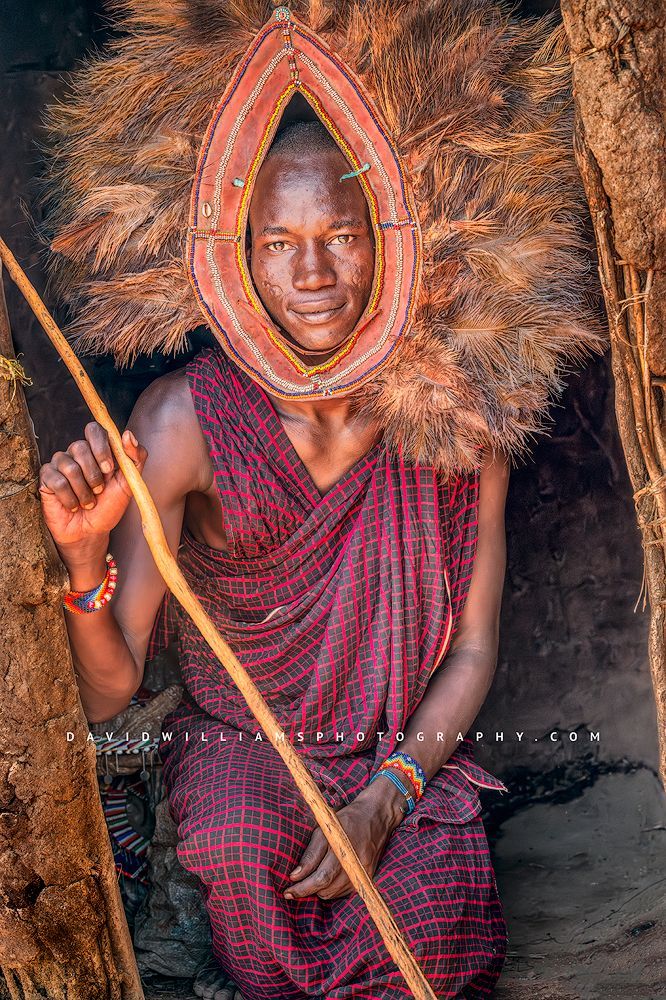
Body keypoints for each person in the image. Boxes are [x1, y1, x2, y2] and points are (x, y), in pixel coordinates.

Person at [40, 117, 511, 999]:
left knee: (435, 933)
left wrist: (388, 796)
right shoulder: (184, 422)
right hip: (243, 745)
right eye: (278, 243)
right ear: (236, 257)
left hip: (394, 752)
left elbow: (475, 648)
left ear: (390, 241)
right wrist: (81, 561)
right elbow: (110, 688)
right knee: (242, 864)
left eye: (340, 236)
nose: (313, 276)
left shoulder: (460, 420)